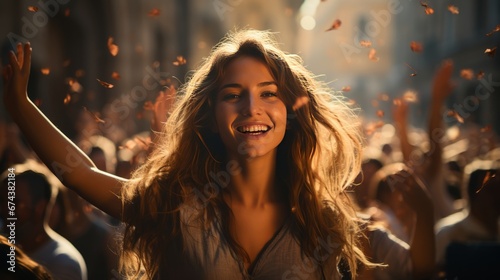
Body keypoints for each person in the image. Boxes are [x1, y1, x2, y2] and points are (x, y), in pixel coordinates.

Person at [3, 30, 377, 279]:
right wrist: (20, 108)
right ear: (211, 117)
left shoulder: (320, 218)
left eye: (269, 92)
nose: (252, 107)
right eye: (233, 95)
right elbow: (79, 173)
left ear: (290, 114)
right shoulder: (174, 203)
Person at [0, 161, 87, 280]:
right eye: (2, 201)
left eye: (14, 203)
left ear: (39, 207)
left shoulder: (63, 263)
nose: (4, 209)